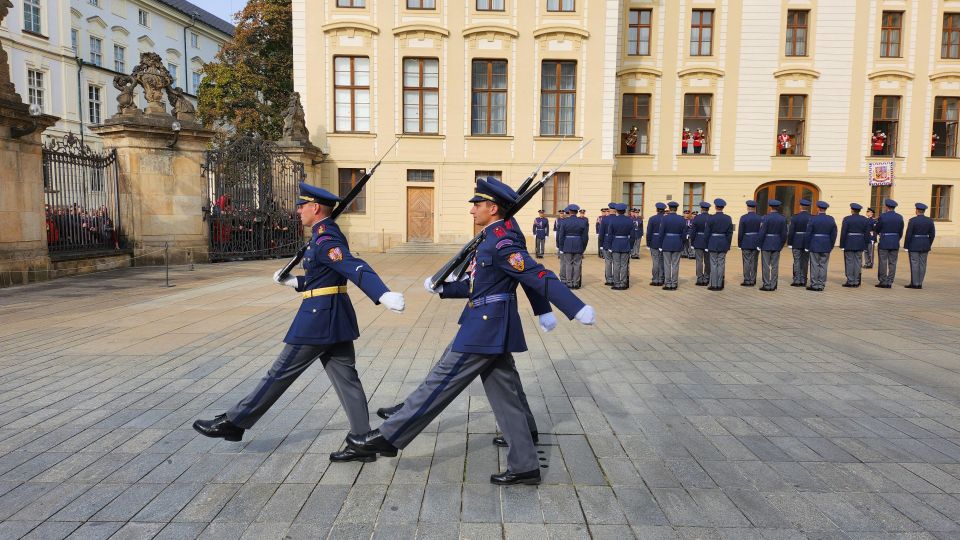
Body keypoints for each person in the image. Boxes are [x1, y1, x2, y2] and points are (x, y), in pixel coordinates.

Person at [347, 177, 596, 486]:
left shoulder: (501, 241)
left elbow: (536, 275)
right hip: (488, 322)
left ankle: (388, 436)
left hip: (486, 327)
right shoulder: (490, 237)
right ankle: (525, 465)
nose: (472, 210)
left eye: (477, 205)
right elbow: (480, 284)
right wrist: (443, 289)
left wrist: (573, 306)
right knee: (505, 395)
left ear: (492, 208)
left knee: (441, 382)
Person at [192, 183, 406, 463]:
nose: (297, 210)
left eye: (302, 205)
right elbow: (323, 278)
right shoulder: (321, 234)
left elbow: (352, 266)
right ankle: (362, 442)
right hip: (333, 315)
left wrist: (382, 293)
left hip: (318, 319)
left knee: (279, 373)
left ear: (315, 208)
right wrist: (295, 282)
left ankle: (234, 422)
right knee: (347, 380)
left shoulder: (326, 236)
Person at [804, 200, 837, 292]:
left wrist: (807, 245)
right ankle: (821, 284)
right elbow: (834, 234)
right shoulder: (831, 219)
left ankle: (814, 284)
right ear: (825, 209)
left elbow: (808, 234)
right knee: (823, 265)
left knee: (814, 264)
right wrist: (831, 245)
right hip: (826, 244)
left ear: (818, 208)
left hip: (815, 244)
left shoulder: (813, 219)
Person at [757, 199, 787, 291]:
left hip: (766, 243)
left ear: (770, 206)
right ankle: (773, 285)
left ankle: (766, 284)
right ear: (778, 207)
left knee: (765, 265)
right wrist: (781, 244)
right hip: (777, 243)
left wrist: (759, 244)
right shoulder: (782, 218)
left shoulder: (766, 217)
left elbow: (762, 232)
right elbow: (784, 234)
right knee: (775, 265)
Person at [905, 202, 936, 289]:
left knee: (914, 263)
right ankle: (920, 283)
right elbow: (932, 234)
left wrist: (906, 246)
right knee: (923, 264)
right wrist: (929, 243)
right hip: (925, 244)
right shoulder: (930, 220)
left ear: (917, 210)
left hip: (914, 244)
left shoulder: (913, 220)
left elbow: (909, 234)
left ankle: (915, 283)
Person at [704, 199, 733, 291]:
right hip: (723, 242)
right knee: (721, 264)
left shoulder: (711, 218)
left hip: (713, 242)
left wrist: (707, 244)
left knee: (713, 264)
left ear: (716, 207)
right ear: (723, 207)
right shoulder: (728, 218)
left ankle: (714, 284)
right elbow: (730, 233)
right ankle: (720, 284)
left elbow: (707, 233)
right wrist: (728, 244)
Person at [840, 203, 870, 287]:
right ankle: (856, 281)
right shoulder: (864, 219)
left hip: (849, 242)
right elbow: (867, 233)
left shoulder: (847, 219)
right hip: (860, 242)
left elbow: (843, 232)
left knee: (849, 262)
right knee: (858, 262)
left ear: (852, 210)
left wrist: (842, 245)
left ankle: (850, 281)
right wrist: (866, 244)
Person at [559, 204, 589, 289]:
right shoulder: (582, 221)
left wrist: (561, 248)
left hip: (567, 244)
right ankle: (575, 283)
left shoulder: (564, 221)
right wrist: (583, 247)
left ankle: (569, 282)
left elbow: (561, 236)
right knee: (577, 264)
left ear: (569, 211)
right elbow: (585, 237)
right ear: (577, 212)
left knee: (568, 264)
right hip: (578, 244)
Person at [875, 199, 904, 288]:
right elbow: (901, 231)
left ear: (886, 207)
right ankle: (890, 281)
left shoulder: (883, 216)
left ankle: (883, 281)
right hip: (895, 241)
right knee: (893, 263)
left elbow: (877, 228)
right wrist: (896, 238)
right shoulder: (899, 217)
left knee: (883, 262)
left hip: (884, 241)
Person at [658, 201, 686, 290]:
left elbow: (661, 233)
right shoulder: (681, 219)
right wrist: (682, 243)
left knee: (667, 264)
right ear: (676, 209)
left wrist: (660, 244)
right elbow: (684, 234)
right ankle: (674, 283)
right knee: (675, 264)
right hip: (677, 243)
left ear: (669, 209)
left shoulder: (665, 218)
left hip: (666, 243)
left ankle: (668, 283)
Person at [606, 203, 634, 290]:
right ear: (625, 211)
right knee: (624, 265)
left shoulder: (613, 220)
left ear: (617, 211)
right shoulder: (629, 220)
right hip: (625, 244)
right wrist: (631, 246)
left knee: (616, 264)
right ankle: (623, 283)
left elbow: (610, 235)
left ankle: (616, 283)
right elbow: (632, 235)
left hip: (615, 244)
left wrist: (610, 246)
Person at [788, 199, 813, 286]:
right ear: (808, 207)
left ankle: (796, 280)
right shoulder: (812, 217)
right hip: (808, 241)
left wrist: (790, 243)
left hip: (796, 241)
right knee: (805, 261)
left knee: (797, 260)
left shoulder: (795, 217)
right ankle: (803, 279)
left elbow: (791, 231)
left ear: (800, 206)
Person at [738, 200, 762, 287]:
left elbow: (741, 232)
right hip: (756, 242)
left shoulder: (743, 218)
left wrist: (739, 244)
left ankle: (747, 280)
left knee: (746, 261)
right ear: (755, 208)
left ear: (748, 207)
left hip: (746, 241)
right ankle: (753, 280)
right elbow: (762, 231)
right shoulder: (760, 218)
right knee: (754, 261)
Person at [691, 201, 712, 286]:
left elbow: (693, 231)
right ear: (708, 209)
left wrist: (692, 243)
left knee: (699, 261)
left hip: (698, 241)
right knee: (707, 261)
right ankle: (707, 278)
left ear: (701, 208)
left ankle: (699, 278)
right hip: (708, 241)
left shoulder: (697, 218)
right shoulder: (711, 217)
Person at [646, 202, 666, 286]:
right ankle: (661, 279)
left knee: (655, 261)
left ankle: (655, 279)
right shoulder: (666, 218)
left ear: (657, 209)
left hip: (654, 241)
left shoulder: (652, 218)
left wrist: (648, 243)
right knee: (662, 261)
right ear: (664, 210)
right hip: (664, 241)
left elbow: (649, 232)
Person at [599, 202, 618, 286]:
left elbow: (601, 234)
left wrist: (600, 245)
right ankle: (616, 279)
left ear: (609, 210)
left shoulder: (605, 219)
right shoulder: (618, 219)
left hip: (606, 242)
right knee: (616, 262)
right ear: (616, 210)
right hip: (616, 242)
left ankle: (609, 279)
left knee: (608, 262)